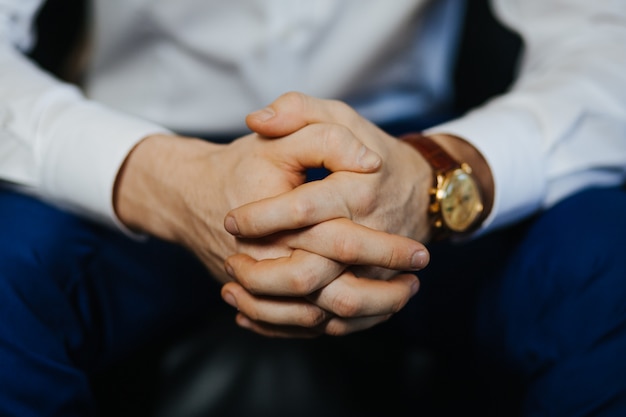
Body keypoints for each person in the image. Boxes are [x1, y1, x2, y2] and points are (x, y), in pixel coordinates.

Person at [0, 0, 625, 416]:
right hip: (131, 150)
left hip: (399, 150)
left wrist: (441, 172)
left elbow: (606, 41)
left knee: (603, 261)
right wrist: (164, 180)